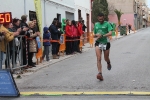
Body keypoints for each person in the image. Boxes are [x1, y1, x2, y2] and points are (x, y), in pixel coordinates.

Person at [94, 13, 113, 81]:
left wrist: (102, 35)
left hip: (106, 42)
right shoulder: (96, 24)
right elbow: (94, 34)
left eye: (102, 19)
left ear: (104, 18)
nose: (100, 20)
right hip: (98, 42)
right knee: (99, 58)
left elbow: (110, 33)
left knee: (106, 58)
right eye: (99, 19)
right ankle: (100, 73)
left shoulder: (107, 24)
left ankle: (108, 62)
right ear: (97, 18)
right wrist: (96, 35)